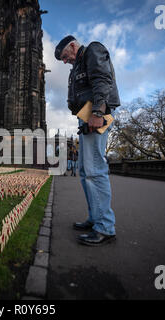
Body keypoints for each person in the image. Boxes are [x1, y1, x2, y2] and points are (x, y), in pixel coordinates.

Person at [55, 35, 121, 246]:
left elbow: (103, 80)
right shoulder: (77, 66)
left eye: (66, 56)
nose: (66, 62)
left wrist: (97, 111)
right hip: (87, 119)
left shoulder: (92, 50)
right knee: (85, 172)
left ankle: (104, 226)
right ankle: (95, 218)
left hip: (96, 117)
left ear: (73, 46)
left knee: (94, 171)